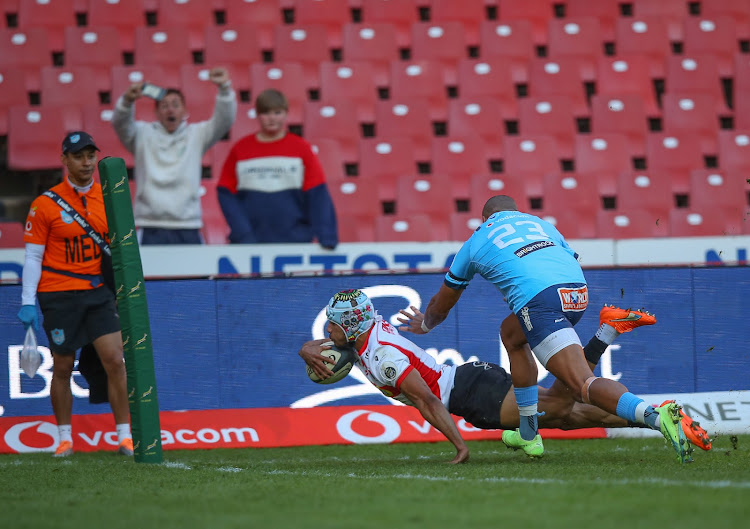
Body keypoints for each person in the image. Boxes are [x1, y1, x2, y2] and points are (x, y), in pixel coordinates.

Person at [397, 195, 693, 464]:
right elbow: (568, 260)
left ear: (486, 218)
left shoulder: (476, 241)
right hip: (576, 293)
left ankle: (655, 416)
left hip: (541, 303)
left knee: (581, 386)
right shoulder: (540, 224)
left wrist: (426, 324)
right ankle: (528, 430)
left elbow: (443, 302)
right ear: (516, 212)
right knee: (512, 334)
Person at [299, 290, 711, 464]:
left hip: (469, 394)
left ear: (350, 326)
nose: (327, 333)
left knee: (561, 403)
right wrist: (305, 348)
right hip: (471, 383)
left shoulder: (382, 354)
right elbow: (330, 345)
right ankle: (662, 418)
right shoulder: (362, 337)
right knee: (575, 416)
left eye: (332, 326)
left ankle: (606, 331)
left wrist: (459, 444)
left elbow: (426, 400)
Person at [16, 131, 132, 457]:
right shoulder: (44, 205)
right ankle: (64, 438)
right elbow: (33, 257)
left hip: (97, 292)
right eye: (79, 156)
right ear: (64, 159)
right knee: (63, 366)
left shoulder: (110, 198)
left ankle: (124, 435)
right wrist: (27, 302)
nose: (86, 162)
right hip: (59, 294)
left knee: (114, 360)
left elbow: (121, 250)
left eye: (91, 156)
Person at [111, 67, 237, 245]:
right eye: (164, 105)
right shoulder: (141, 134)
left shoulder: (197, 135)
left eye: (175, 105)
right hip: (150, 226)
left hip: (188, 226)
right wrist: (127, 101)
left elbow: (224, 121)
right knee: (151, 274)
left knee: (194, 274)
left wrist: (224, 88)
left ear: (185, 110)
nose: (170, 110)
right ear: (156, 112)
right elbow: (120, 123)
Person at [216, 88, 338, 248]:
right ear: (257, 115)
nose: (271, 118)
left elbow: (318, 195)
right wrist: (243, 233)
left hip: (295, 242)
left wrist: (326, 235)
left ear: (286, 114)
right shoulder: (240, 149)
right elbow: (226, 194)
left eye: (277, 112)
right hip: (249, 244)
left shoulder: (301, 148)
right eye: (266, 113)